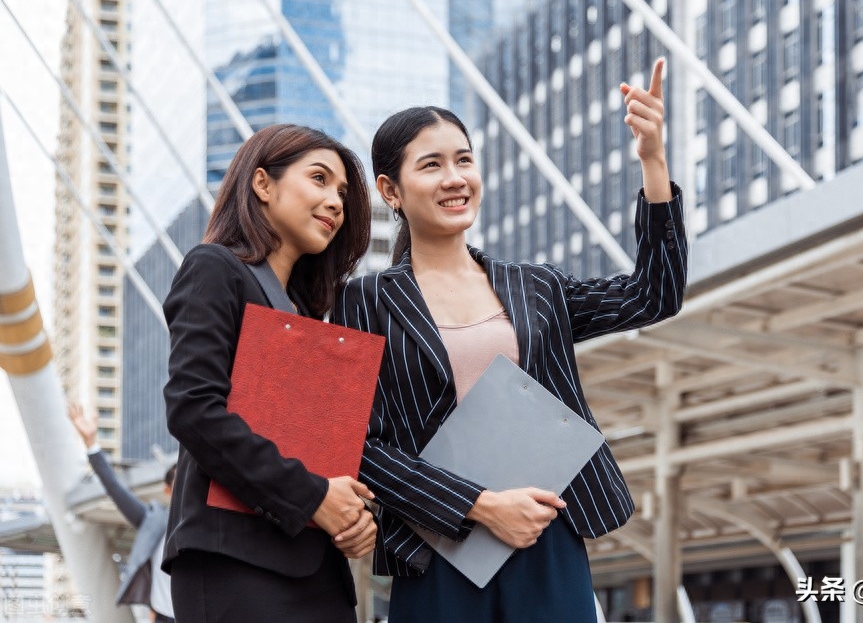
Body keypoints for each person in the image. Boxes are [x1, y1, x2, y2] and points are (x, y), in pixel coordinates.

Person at [336, 57, 687, 622]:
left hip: (544, 533)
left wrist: (653, 163)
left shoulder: (537, 287)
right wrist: (480, 506)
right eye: (431, 165)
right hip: (437, 546)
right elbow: (356, 444)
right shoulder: (362, 302)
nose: (455, 178)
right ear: (390, 190)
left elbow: (653, 296)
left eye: (464, 160)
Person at [162, 124, 377, 623]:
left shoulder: (308, 316)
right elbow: (193, 409)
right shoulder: (214, 268)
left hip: (318, 572)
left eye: (342, 192)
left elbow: (319, 449)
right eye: (319, 179)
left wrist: (356, 520)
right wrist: (314, 497)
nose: (336, 202)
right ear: (262, 183)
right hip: (233, 563)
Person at [68, 402, 176, 623]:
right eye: (179, 484)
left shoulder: (206, 522)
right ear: (167, 490)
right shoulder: (154, 521)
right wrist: (91, 444)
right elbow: (115, 489)